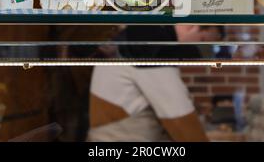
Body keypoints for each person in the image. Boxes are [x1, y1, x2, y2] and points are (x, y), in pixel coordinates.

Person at [88, 25, 218, 142]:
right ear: (193, 27)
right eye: (202, 40)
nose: (201, 48)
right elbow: (179, 118)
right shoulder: (150, 47)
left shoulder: (148, 37)